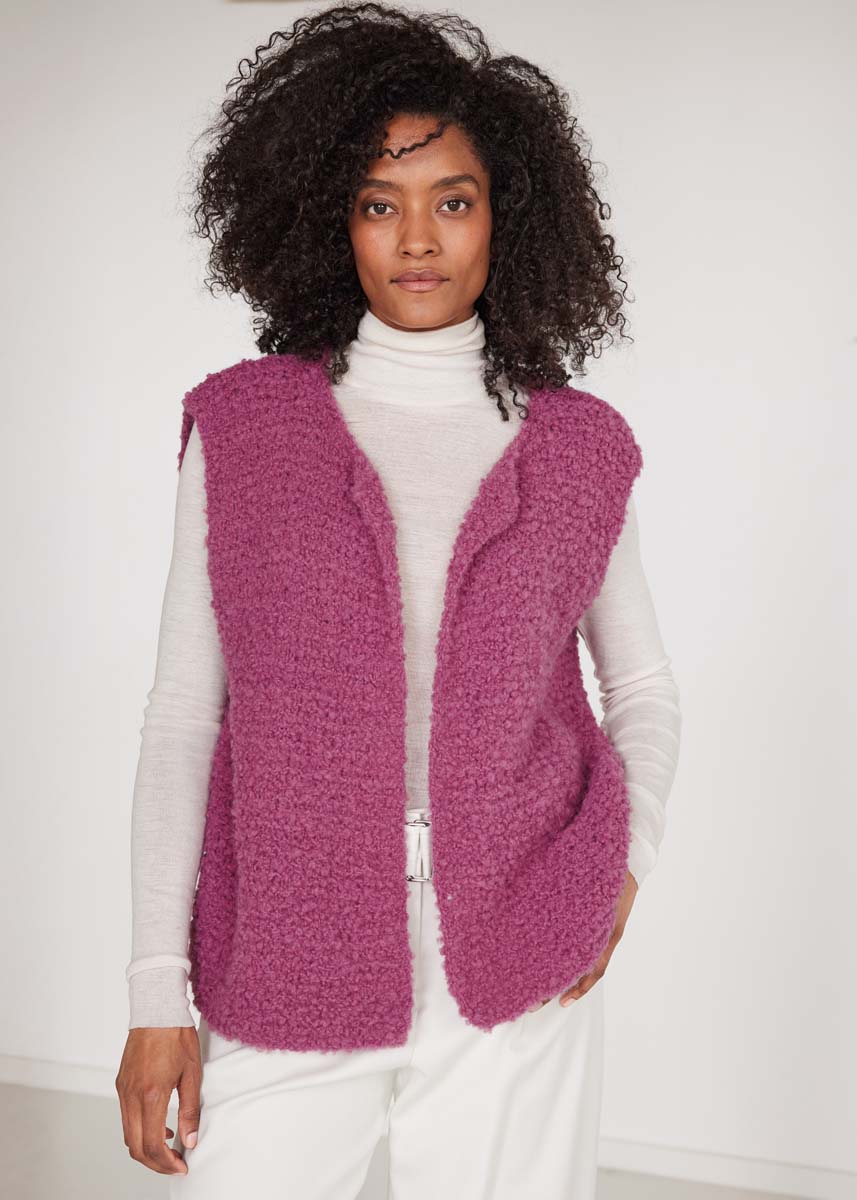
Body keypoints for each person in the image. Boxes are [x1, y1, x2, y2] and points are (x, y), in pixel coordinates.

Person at [115, 4, 682, 1197]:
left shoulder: (578, 449)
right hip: (287, 941)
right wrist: (154, 991)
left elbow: (638, 687)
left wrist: (621, 868)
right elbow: (181, 717)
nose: (416, 238)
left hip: (519, 946)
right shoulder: (243, 431)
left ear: (507, 215)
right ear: (330, 220)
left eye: (452, 201)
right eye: (379, 204)